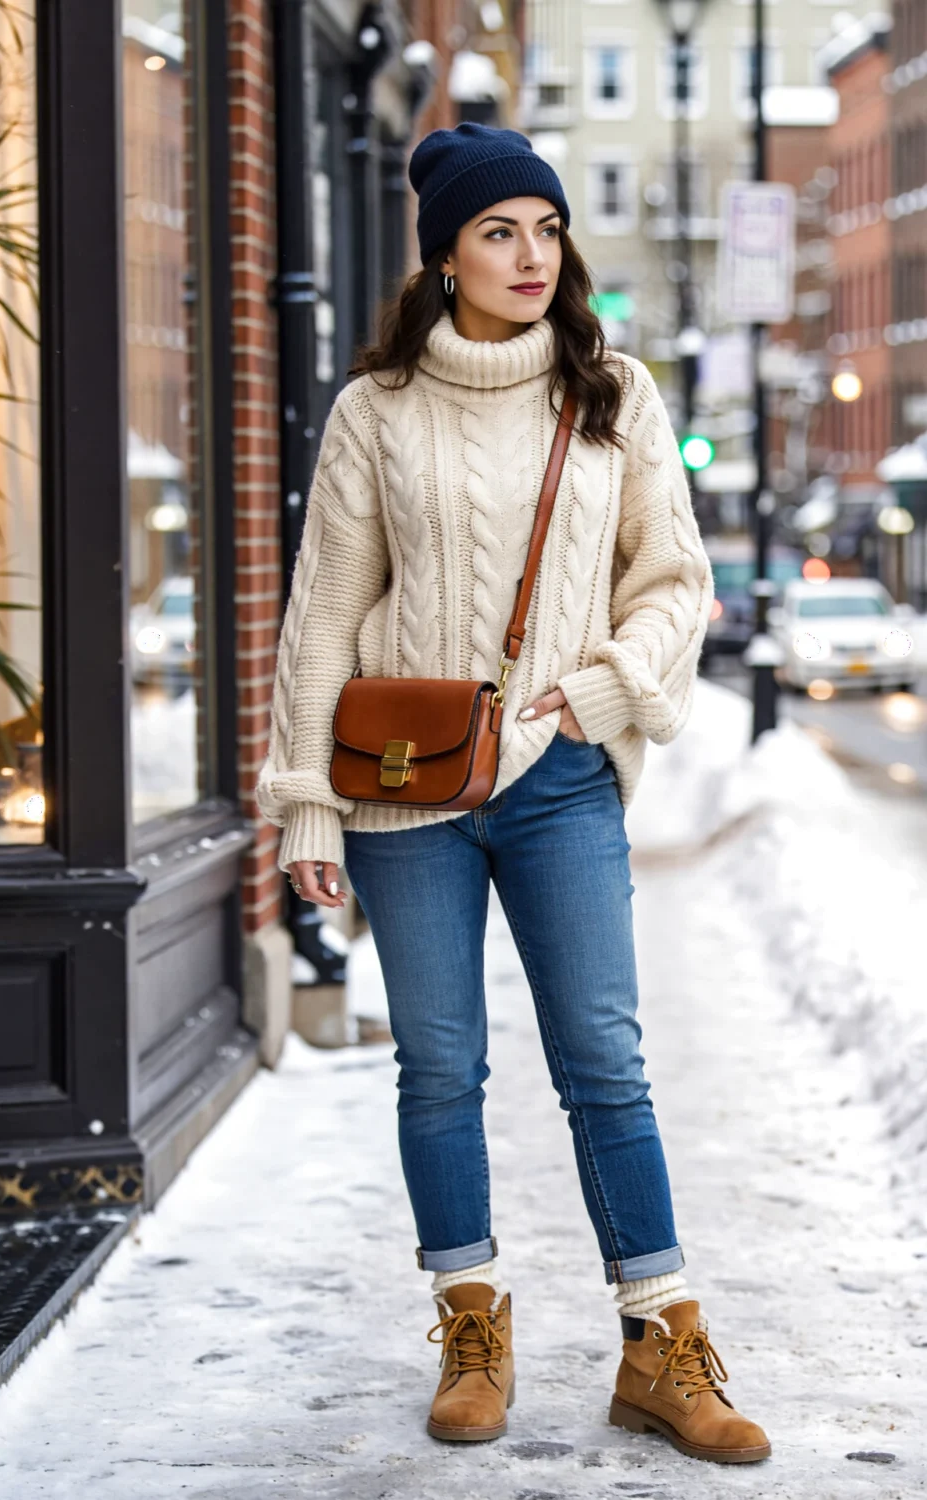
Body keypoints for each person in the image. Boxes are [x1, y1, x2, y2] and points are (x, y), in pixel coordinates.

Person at [257, 122, 770, 1465]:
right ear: (444, 254)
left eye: (546, 229)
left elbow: (675, 584)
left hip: (557, 785)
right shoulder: (376, 411)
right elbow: (323, 618)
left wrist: (603, 691)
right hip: (402, 787)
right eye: (499, 230)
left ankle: (662, 1345)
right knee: (441, 1065)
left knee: (605, 1062)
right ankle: (472, 1324)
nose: (531, 254)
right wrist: (306, 801)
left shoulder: (615, 396)